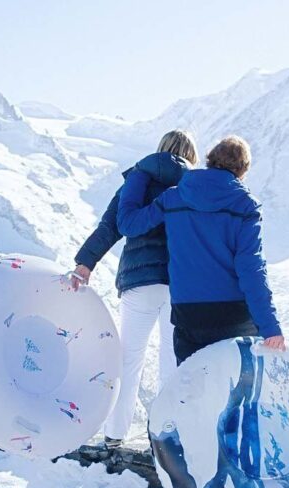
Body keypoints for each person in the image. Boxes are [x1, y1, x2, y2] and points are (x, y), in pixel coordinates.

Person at [72, 130, 199, 448]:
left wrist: (85, 263)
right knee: (172, 361)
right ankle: (167, 438)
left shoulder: (139, 177)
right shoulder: (195, 186)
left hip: (138, 283)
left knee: (128, 358)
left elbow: (110, 226)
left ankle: (115, 434)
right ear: (190, 156)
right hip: (178, 284)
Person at [116, 135, 285, 364]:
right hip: (233, 313)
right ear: (243, 170)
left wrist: (138, 175)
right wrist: (269, 326)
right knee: (236, 384)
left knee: (189, 388)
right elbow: (251, 269)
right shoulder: (245, 206)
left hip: (189, 314)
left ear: (209, 160)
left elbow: (129, 224)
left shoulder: (174, 197)